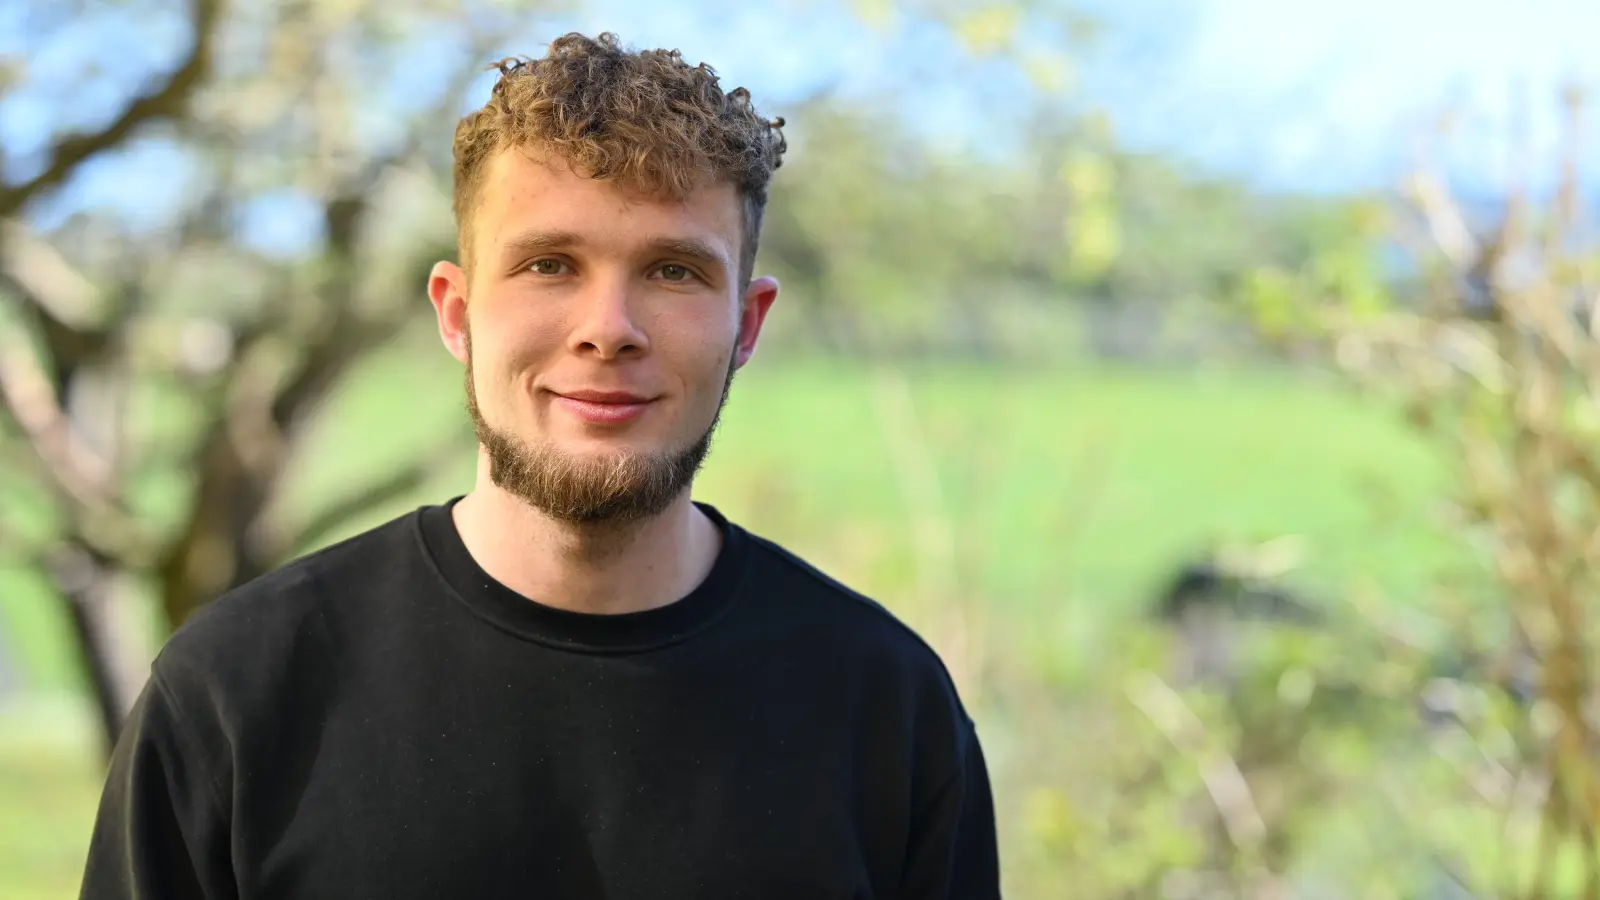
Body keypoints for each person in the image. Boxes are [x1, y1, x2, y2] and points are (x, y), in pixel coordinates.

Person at [79, 31, 1000, 900]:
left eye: (674, 270)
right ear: (457, 313)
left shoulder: (888, 711)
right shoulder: (235, 695)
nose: (609, 329)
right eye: (550, 264)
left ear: (747, 324)